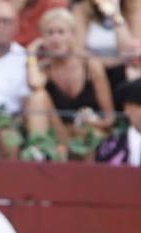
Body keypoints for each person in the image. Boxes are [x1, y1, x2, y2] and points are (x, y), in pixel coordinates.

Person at [24, 7, 115, 144]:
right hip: (59, 134)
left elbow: (110, 118)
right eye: (50, 33)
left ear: (72, 35)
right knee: (37, 96)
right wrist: (31, 55)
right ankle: (38, 153)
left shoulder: (90, 65)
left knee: (94, 137)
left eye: (61, 32)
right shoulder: (45, 69)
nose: (55, 39)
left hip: (89, 132)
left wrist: (90, 123)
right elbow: (35, 84)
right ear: (43, 39)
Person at [72, 0, 141, 91]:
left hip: (124, 70)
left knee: (133, 71)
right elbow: (78, 50)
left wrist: (115, 14)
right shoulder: (81, 9)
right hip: (91, 71)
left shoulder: (139, 9)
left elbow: (132, 52)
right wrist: (99, 64)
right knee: (93, 69)